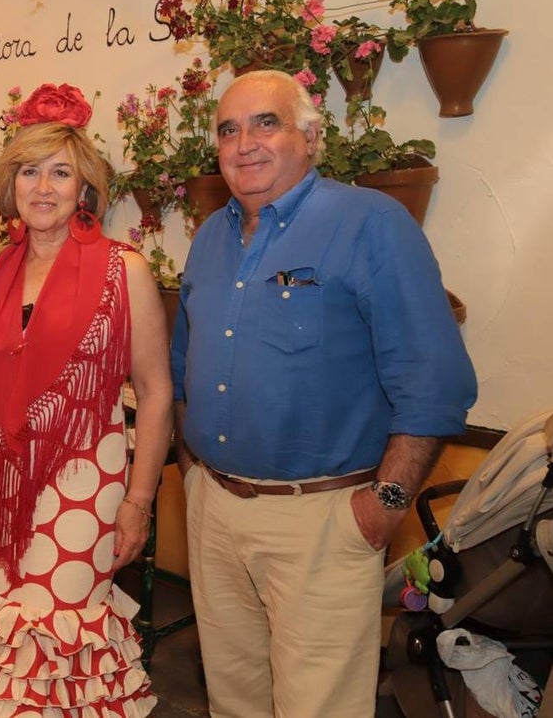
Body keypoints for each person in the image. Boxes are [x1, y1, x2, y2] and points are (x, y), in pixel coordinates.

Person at [171, 69, 477, 718]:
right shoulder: (208, 239)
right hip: (213, 513)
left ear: (311, 136)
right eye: (228, 129)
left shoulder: (372, 224)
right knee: (234, 701)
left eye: (266, 123)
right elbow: (180, 368)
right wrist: (193, 474)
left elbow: (434, 381)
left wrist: (384, 506)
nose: (244, 142)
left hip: (325, 522)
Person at [0, 83, 171, 716]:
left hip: (85, 479)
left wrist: (138, 501)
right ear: (10, 184)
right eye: (30, 171)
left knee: (60, 632)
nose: (44, 187)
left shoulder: (122, 268)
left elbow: (158, 395)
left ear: (85, 189)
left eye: (61, 173)